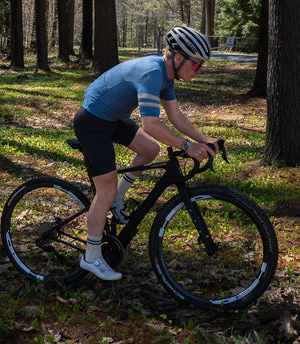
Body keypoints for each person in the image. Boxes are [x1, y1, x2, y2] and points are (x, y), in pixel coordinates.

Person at [73, 24, 220, 281]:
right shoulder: (152, 73)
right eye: (196, 64)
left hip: (113, 117)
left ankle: (116, 199)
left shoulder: (166, 75)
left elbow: (175, 116)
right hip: (92, 121)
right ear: (177, 57)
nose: (199, 70)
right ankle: (92, 256)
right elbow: (150, 124)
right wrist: (187, 146)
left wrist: (203, 139)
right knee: (104, 191)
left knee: (149, 150)